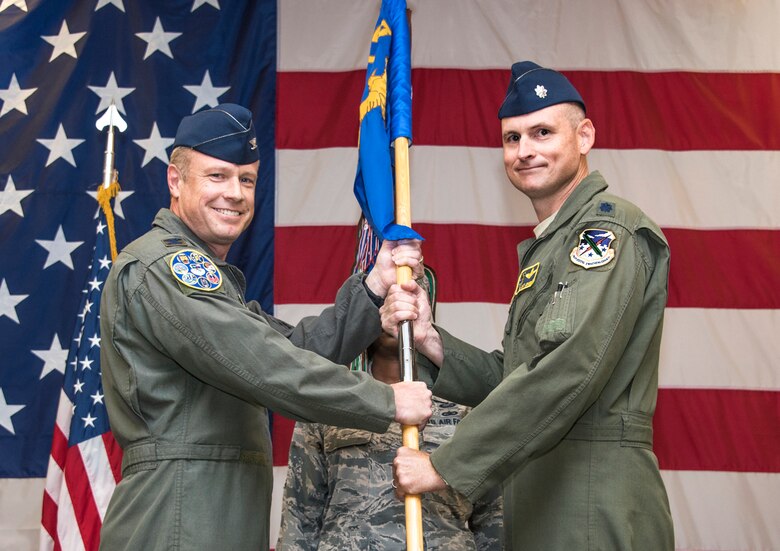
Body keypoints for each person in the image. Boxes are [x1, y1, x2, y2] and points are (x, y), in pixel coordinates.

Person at [98, 103, 432, 550]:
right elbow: (267, 366)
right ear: (175, 181)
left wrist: (374, 286)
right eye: (217, 176)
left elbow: (294, 348)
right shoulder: (165, 267)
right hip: (177, 516)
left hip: (213, 511)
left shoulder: (211, 279)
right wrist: (386, 399)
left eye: (247, 179)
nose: (235, 193)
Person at [383, 61, 675, 550]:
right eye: (512, 138)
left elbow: (569, 368)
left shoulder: (604, 232)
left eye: (542, 133)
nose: (525, 151)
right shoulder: (551, 246)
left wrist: (444, 465)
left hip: (592, 498)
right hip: (544, 495)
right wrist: (432, 340)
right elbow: (516, 376)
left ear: (584, 136)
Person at [276, 267, 504, 551]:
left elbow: (493, 520)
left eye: (409, 296)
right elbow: (300, 517)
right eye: (387, 298)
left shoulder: (467, 406)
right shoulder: (331, 400)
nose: (399, 309)